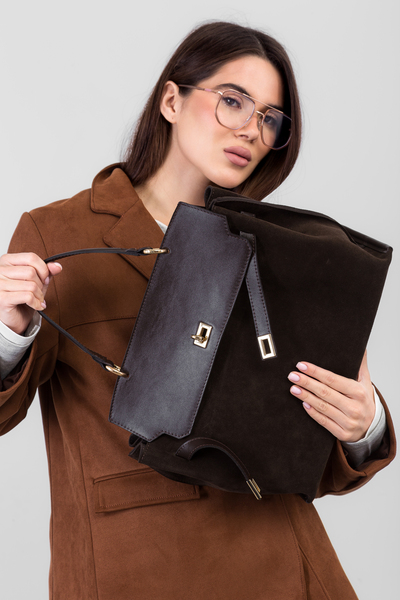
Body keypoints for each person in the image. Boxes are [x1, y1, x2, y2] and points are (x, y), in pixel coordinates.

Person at [0, 21, 395, 600]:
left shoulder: (277, 248)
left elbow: (299, 455)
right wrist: (9, 332)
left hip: (286, 563)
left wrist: (364, 426)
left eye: (270, 118)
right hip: (139, 569)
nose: (252, 130)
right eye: (233, 101)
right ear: (171, 100)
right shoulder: (59, 233)